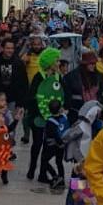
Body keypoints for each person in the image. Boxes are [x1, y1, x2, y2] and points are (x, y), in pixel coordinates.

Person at [25, 48, 65, 181]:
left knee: (47, 146)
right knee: (37, 144)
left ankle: (42, 174)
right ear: (50, 62)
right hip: (38, 117)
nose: (58, 63)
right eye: (56, 60)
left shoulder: (58, 78)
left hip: (52, 119)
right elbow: (31, 96)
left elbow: (62, 95)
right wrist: (40, 109)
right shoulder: (39, 77)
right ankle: (31, 169)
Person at [0, 39, 29, 129]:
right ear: (2, 48)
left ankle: (9, 142)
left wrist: (22, 103)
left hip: (13, 99)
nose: (10, 50)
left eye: (12, 48)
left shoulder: (18, 64)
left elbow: (24, 83)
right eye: (7, 48)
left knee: (11, 124)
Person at [40, 99, 70, 189]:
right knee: (59, 162)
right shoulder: (64, 117)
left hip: (52, 145)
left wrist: (58, 142)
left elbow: (54, 134)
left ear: (49, 110)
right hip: (62, 145)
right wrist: (62, 143)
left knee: (44, 160)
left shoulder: (50, 121)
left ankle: (55, 176)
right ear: (60, 108)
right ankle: (62, 179)